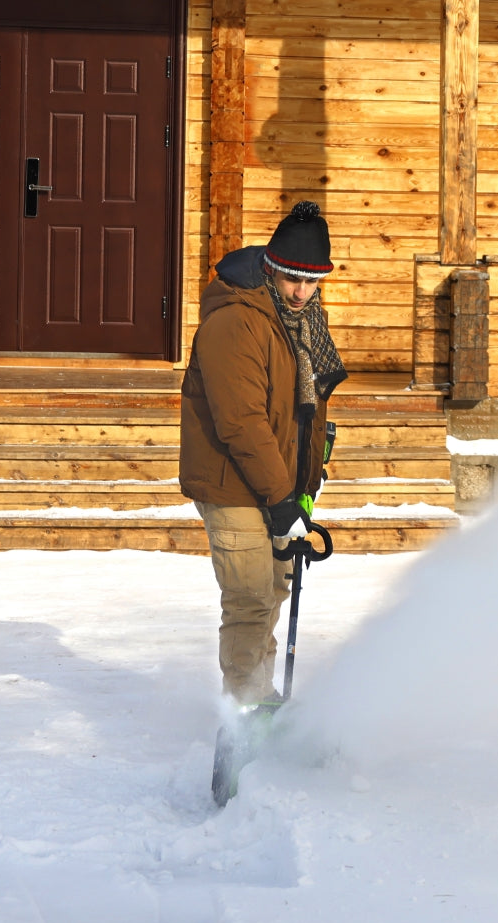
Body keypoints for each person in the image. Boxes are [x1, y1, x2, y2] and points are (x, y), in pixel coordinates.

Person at [179, 201, 347, 709]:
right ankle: (244, 713)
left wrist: (304, 485)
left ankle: (262, 699)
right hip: (234, 482)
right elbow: (241, 421)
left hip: (281, 483)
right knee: (251, 599)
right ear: (270, 268)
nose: (301, 292)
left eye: (311, 282)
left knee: (275, 591)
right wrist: (280, 498)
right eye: (292, 279)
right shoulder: (235, 321)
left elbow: (307, 411)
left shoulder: (302, 322)